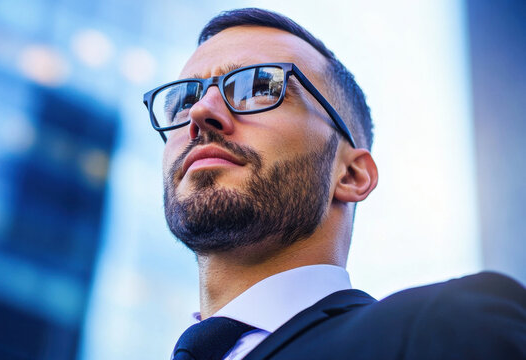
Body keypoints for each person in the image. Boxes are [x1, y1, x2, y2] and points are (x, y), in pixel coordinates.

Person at [142, 8, 526, 360]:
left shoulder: (446, 330)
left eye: (260, 87)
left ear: (352, 175)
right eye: (182, 100)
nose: (200, 112)